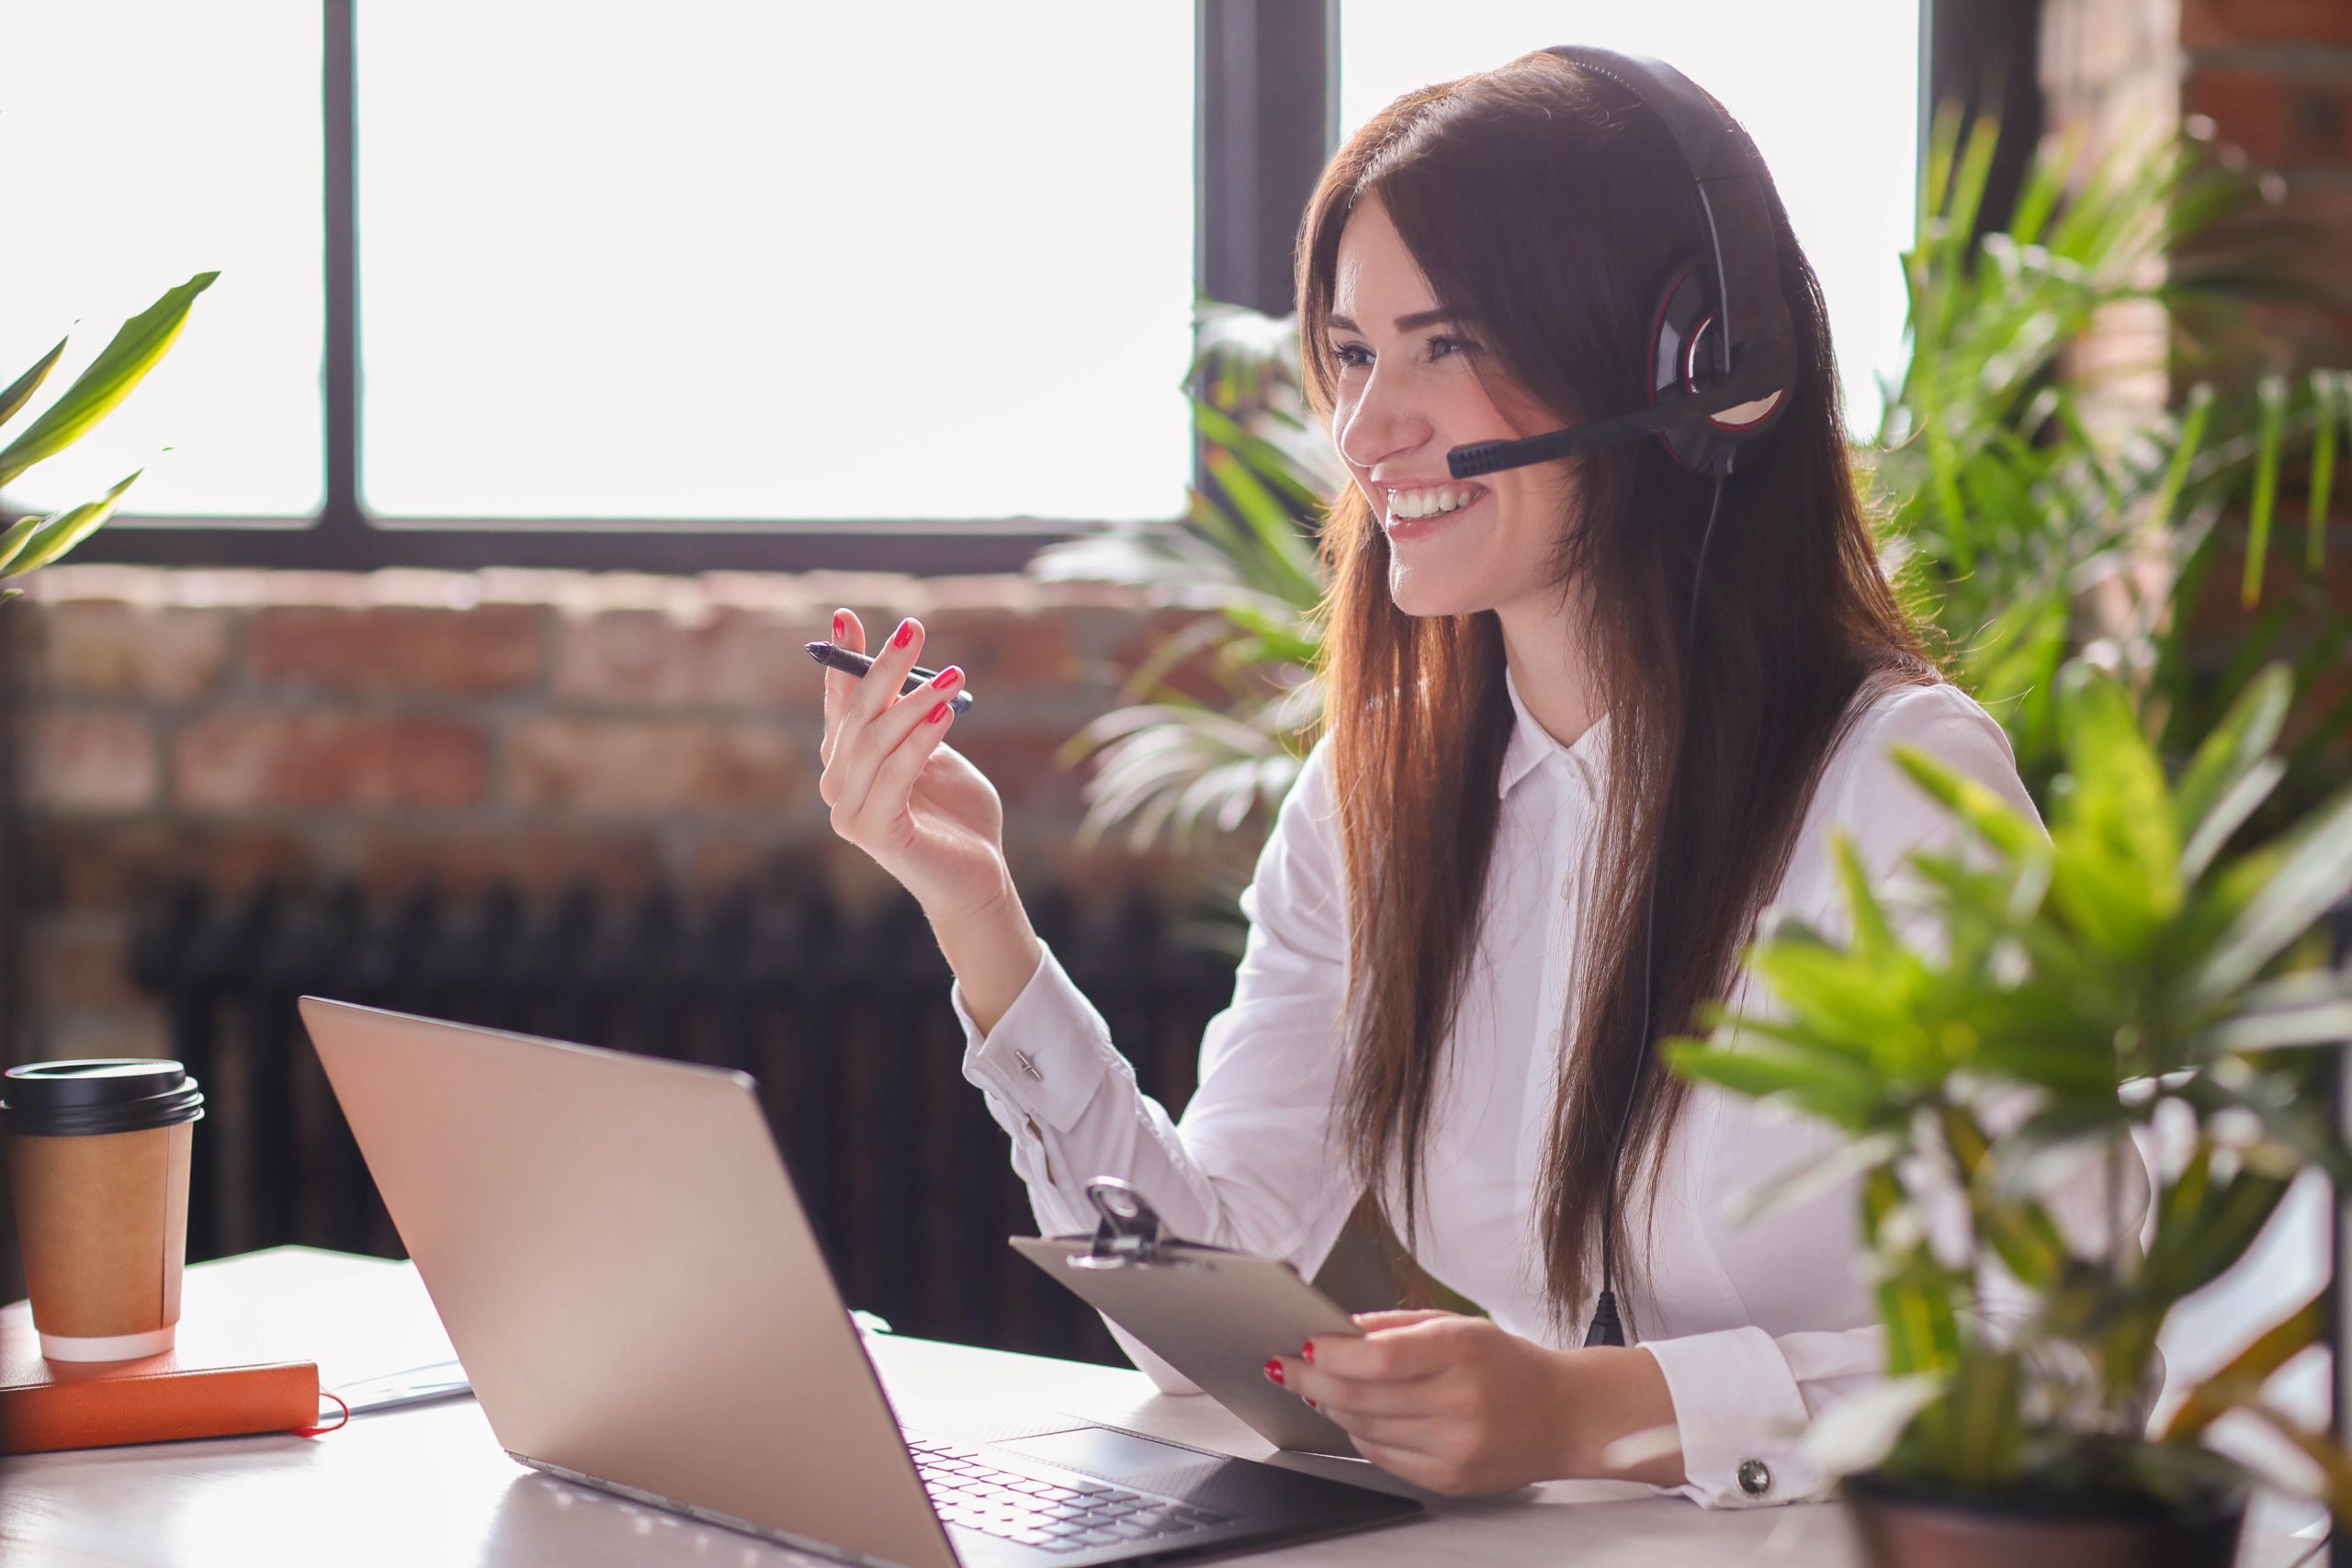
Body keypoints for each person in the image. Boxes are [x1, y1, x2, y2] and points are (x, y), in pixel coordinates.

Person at [815, 50, 2145, 1509]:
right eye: (1354, 351)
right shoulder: (1370, 798)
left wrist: (1605, 1415)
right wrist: (981, 926)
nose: (1369, 428)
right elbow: (1201, 1310)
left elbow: (2067, 1358)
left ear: (1687, 377)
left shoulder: (1896, 783)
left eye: (1444, 343)